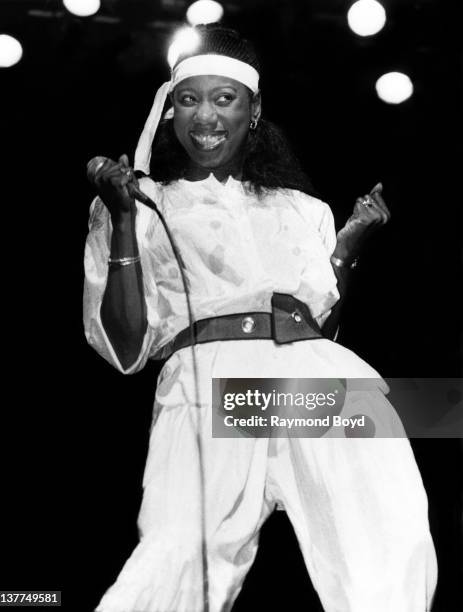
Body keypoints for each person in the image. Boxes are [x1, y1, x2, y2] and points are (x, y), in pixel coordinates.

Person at [84, 24, 437, 612]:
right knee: (178, 556)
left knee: (384, 530)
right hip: (212, 382)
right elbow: (125, 346)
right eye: (190, 99)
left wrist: (348, 245)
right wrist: (122, 218)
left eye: (225, 99)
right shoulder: (147, 204)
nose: (206, 116)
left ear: (253, 110)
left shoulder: (304, 209)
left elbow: (321, 327)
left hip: (314, 374)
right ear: (170, 112)